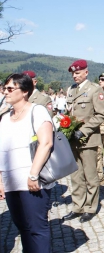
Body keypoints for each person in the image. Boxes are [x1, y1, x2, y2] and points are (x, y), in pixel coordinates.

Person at [0, 73, 54, 252]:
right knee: (22, 228)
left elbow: (46, 143)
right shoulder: (4, 118)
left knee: (37, 228)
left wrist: (33, 174)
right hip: (10, 182)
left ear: (24, 91)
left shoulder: (37, 111)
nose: (5, 92)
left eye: (9, 89)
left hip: (32, 181)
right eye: (4, 88)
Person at [62, 59, 104, 223]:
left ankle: (90, 207)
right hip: (73, 139)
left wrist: (83, 130)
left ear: (86, 72)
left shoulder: (95, 89)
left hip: (88, 140)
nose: (75, 76)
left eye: (78, 72)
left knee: (90, 175)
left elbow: (100, 115)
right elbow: (68, 113)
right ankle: (77, 206)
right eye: (73, 73)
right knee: (75, 175)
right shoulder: (71, 90)